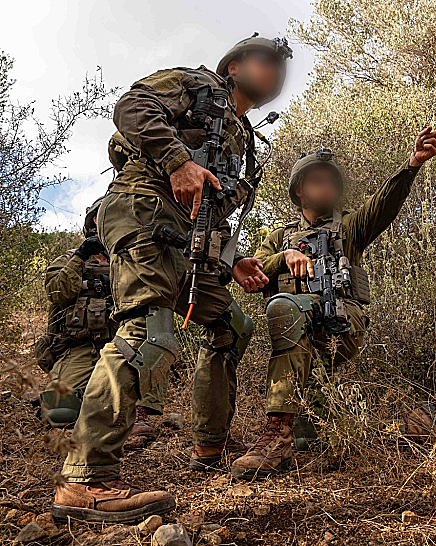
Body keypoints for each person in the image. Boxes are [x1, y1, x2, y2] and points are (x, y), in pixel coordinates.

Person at [52, 34, 292, 524]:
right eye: (266, 59)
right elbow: (132, 105)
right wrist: (176, 159)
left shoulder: (241, 134)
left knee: (232, 326)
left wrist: (234, 261)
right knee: (149, 334)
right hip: (145, 211)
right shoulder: (195, 83)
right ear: (234, 65)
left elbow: (213, 210)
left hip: (191, 244)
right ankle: (86, 479)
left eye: (282, 66)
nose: (276, 70)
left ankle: (209, 443)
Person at [230, 120, 436, 480]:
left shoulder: (348, 227)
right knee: (313, 431)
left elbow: (384, 206)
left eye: (331, 181)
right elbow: (252, 276)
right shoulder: (277, 236)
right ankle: (302, 438)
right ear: (299, 190)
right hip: (295, 328)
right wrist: (284, 257)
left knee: (288, 318)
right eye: (316, 180)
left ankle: (276, 435)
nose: (326, 186)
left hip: (343, 323)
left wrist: (413, 165)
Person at [36, 197, 166, 446]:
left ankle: (139, 414)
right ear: (93, 222)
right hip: (79, 347)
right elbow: (57, 292)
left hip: (122, 345)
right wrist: (81, 256)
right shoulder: (69, 260)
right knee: (60, 413)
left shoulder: (131, 260)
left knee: (157, 335)